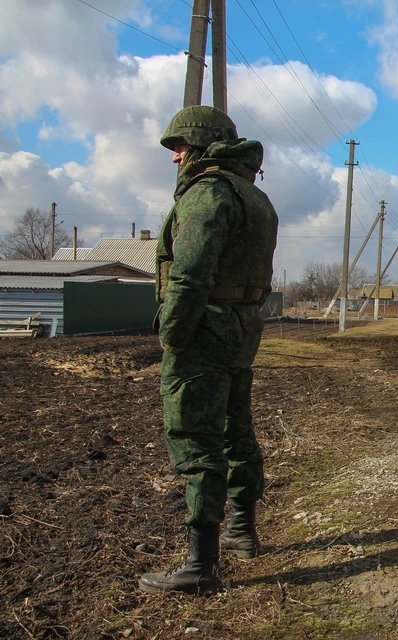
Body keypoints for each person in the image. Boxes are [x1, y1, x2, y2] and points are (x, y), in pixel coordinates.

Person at [139, 106, 279, 594]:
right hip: (242, 330)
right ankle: (242, 532)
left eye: (179, 145)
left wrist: (173, 335)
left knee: (197, 442)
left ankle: (201, 565)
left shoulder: (206, 195)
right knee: (237, 431)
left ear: (200, 145)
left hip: (203, 333)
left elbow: (189, 275)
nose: (175, 155)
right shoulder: (255, 197)